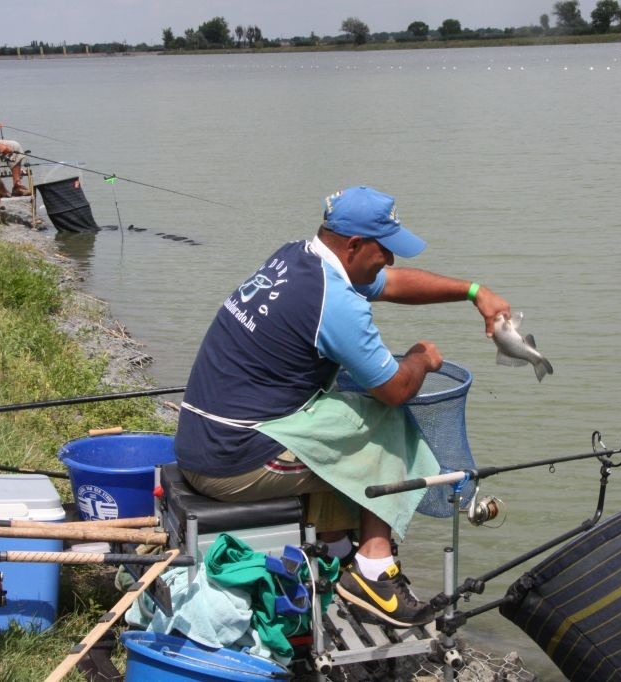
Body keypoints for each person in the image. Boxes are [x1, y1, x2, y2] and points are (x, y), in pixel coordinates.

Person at [175, 185, 510, 627]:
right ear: (353, 245)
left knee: (343, 407)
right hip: (232, 462)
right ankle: (372, 571)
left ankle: (334, 550)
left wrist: (472, 291)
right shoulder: (335, 303)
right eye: (385, 250)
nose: (390, 260)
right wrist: (420, 359)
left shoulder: (297, 257)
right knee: (387, 419)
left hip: (201, 436)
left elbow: (389, 283)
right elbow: (394, 390)